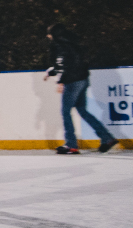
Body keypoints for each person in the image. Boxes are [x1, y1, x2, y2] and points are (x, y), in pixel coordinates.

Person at [45, 24, 119, 154]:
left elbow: (64, 65)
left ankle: (71, 144)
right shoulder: (72, 43)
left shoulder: (60, 45)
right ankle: (107, 138)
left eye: (49, 34)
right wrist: (51, 72)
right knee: (82, 110)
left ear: (55, 35)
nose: (48, 36)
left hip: (72, 82)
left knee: (65, 112)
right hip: (82, 79)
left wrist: (61, 81)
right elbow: (70, 62)